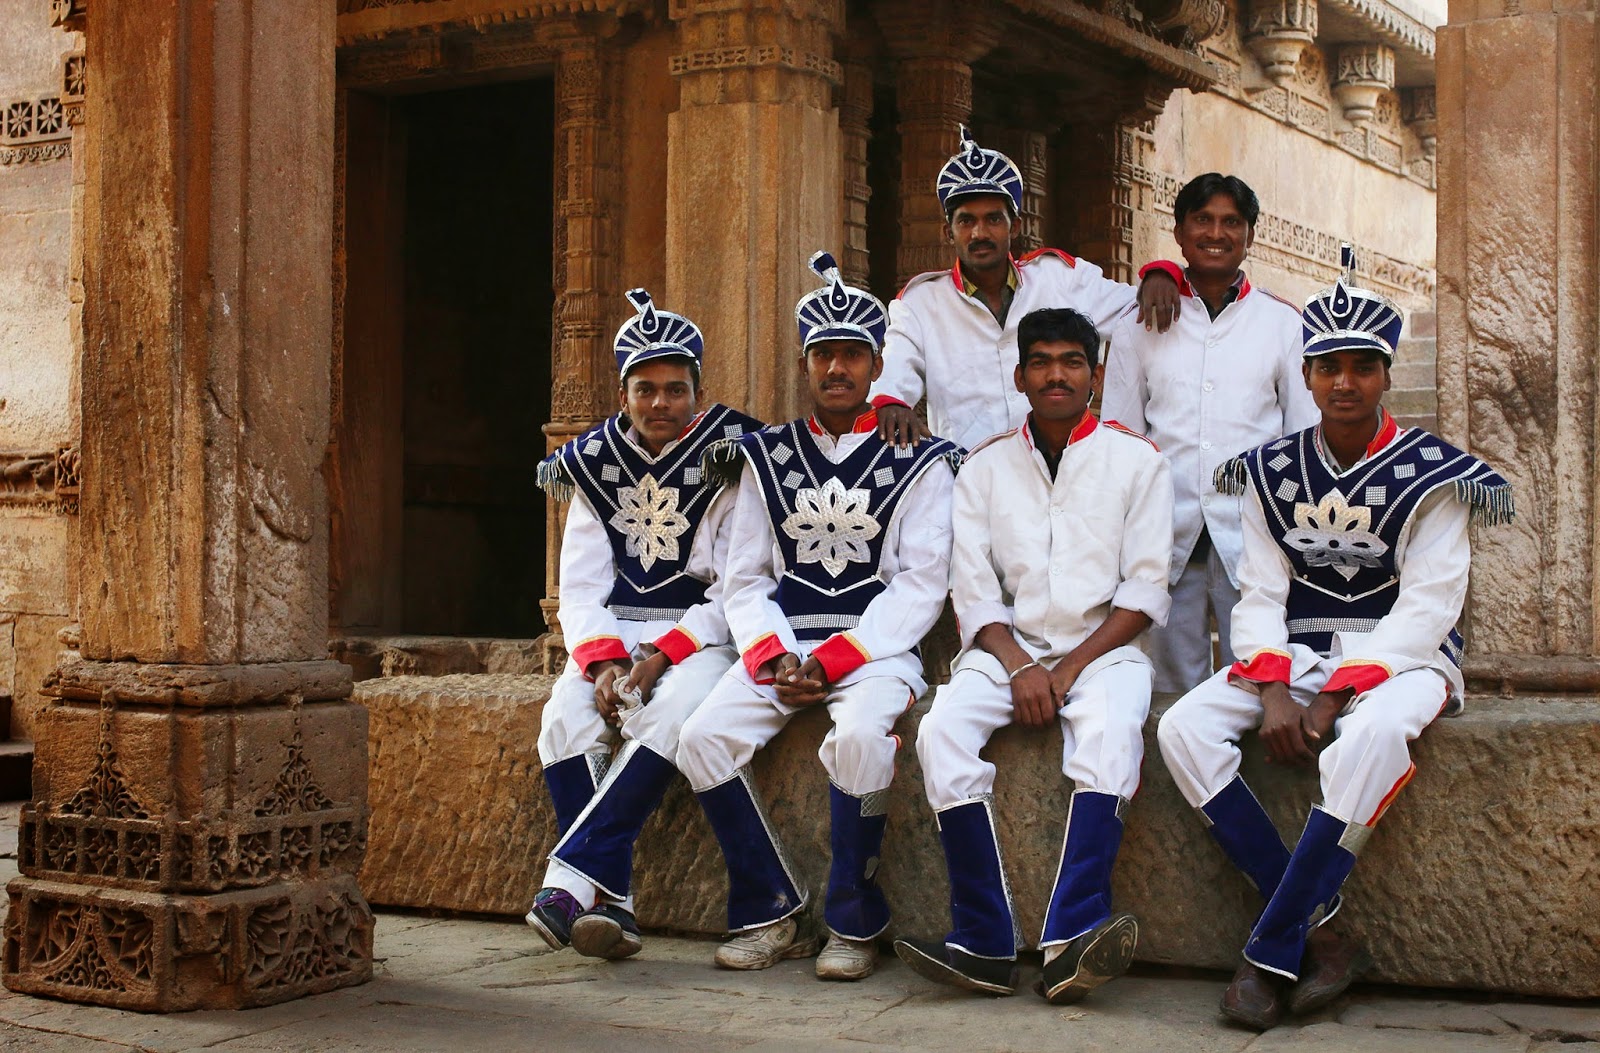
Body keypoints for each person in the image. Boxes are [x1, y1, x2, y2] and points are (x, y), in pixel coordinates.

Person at [1156, 248, 1515, 1030]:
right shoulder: (1269, 470)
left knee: (1371, 737)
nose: (1343, 382)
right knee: (1183, 726)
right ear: (1308, 375)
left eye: (1361, 366)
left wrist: (1340, 693)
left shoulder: (1436, 474)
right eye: (1327, 367)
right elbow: (1260, 592)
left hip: (1404, 658)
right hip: (1296, 651)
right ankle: (1323, 930)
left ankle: (1269, 949)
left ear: (1385, 373)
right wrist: (1277, 684)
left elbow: (1428, 608)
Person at [675, 251, 960, 981]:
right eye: (823, 355)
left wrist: (834, 658)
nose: (837, 369)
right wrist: (771, 657)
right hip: (782, 649)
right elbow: (743, 579)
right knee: (702, 737)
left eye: (852, 356)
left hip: (875, 651)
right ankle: (772, 906)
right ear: (806, 364)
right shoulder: (766, 457)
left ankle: (854, 921)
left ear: (875, 365)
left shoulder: (921, 462)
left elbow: (920, 587)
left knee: (863, 735)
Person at [894, 306, 1174, 1003]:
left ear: (1095, 375)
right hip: (1004, 651)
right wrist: (1020, 666)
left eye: (1071, 361)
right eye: (1042, 362)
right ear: (1019, 376)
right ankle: (984, 941)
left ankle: (1071, 939)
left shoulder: (1138, 461)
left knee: (1110, 735)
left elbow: (1144, 591)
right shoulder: (984, 466)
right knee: (941, 731)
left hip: (1104, 650)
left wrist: (1068, 668)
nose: (1057, 374)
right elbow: (974, 590)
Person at [526, 288, 762, 959]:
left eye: (675, 389)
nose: (660, 403)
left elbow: (735, 587)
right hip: (612, 636)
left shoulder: (733, 455)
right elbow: (580, 586)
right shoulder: (595, 462)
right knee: (562, 722)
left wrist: (658, 657)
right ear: (623, 392)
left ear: (696, 389)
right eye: (645, 389)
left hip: (701, 640)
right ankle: (615, 905)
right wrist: (601, 663)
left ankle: (569, 885)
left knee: (668, 720)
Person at [1102, 173, 1318, 695]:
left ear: (1249, 236)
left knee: (1257, 671)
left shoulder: (1282, 324)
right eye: (1202, 220)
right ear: (1178, 232)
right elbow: (1121, 435)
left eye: (1231, 222)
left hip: (1254, 526)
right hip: (1165, 524)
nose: (1215, 233)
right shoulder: (1139, 324)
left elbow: (1304, 436)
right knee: (1171, 681)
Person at [872, 125, 1183, 451]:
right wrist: (891, 403)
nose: (979, 233)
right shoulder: (922, 303)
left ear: (1015, 226)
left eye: (993, 219)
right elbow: (893, 373)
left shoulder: (1058, 278)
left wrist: (1161, 275)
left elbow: (1135, 307)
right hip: (966, 482)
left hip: (1060, 476)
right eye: (966, 221)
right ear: (949, 232)